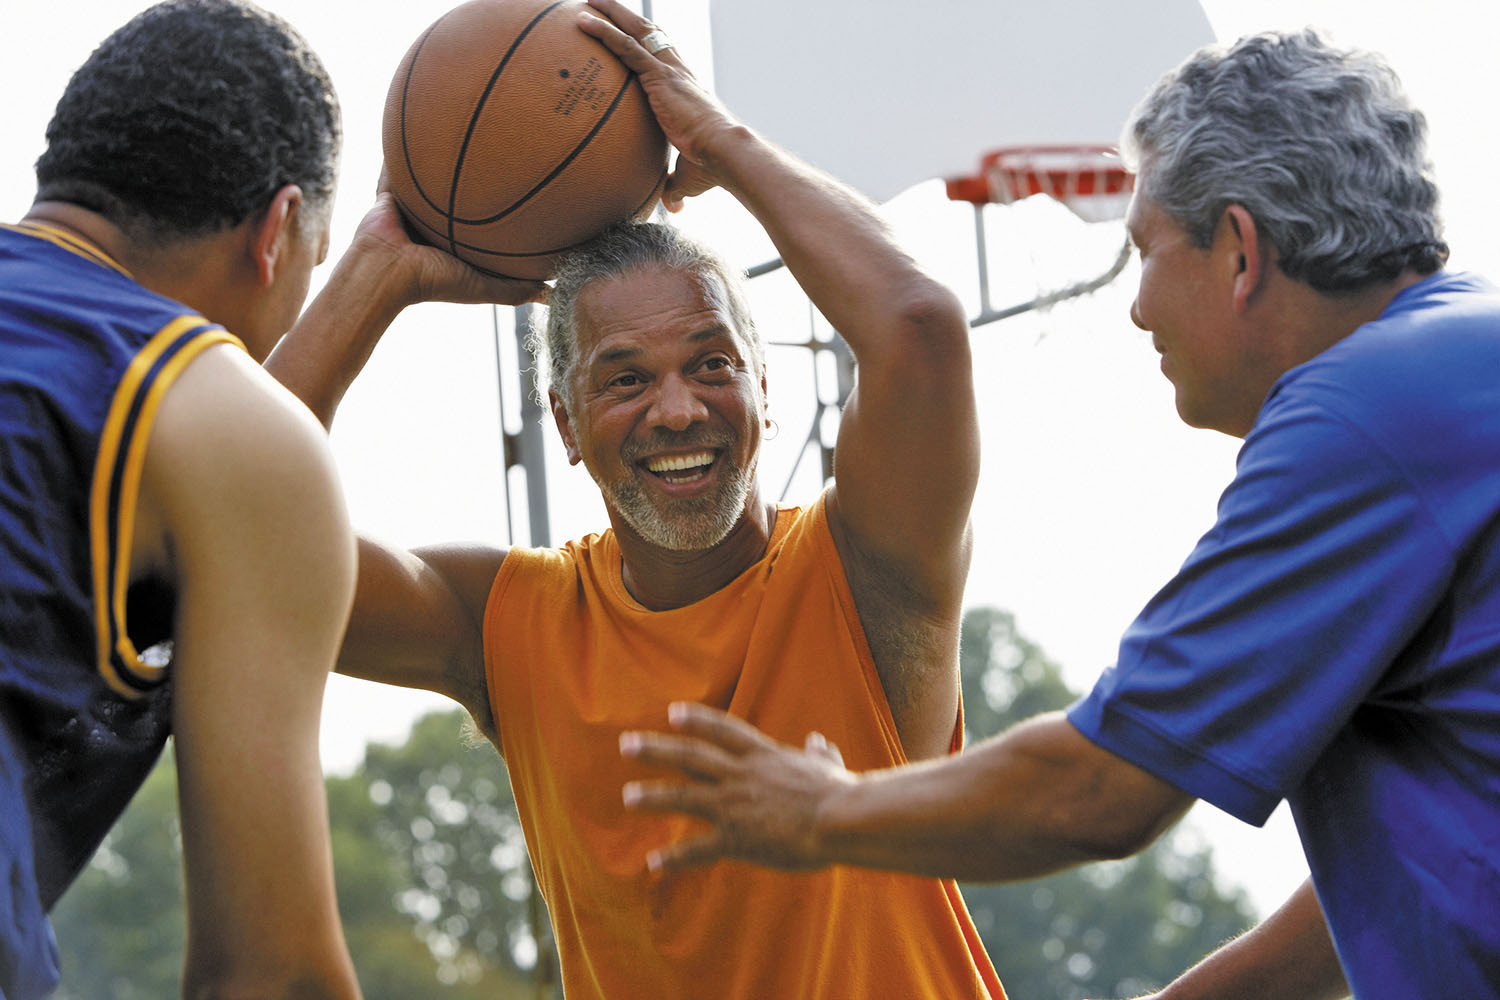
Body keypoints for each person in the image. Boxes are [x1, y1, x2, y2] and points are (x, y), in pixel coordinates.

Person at [616, 29, 1500, 1000]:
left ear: (1240, 251)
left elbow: (1102, 789)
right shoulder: (1453, 372)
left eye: (1145, 253)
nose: (1137, 308)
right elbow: (1408, 887)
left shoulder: (1363, 412)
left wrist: (822, 811)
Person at [266, 1, 1003, 996]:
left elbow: (918, 329)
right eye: (622, 379)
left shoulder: (867, 567)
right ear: (566, 425)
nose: (677, 409)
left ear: (763, 391)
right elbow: (227, 538)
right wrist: (376, 270)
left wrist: (718, 140)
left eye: (712, 363)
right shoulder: (512, 623)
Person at [0, 2, 541, 996]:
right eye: (316, 255)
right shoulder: (203, 413)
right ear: (279, 229)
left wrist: (369, 275)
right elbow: (273, 977)